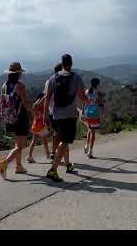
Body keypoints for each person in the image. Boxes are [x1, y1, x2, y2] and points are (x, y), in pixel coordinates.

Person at [43, 54, 89, 182]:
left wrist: (45, 116)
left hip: (56, 115)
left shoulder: (53, 78)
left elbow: (47, 98)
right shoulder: (76, 78)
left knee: (64, 139)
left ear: (62, 63)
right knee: (64, 141)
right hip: (69, 115)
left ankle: (68, 164)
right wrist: (89, 102)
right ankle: (53, 170)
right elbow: (81, 97)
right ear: (71, 63)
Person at [0, 62, 32, 179]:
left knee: (17, 143)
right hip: (20, 118)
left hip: (9, 118)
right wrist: (33, 115)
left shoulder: (4, 85)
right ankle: (5, 163)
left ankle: (19, 166)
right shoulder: (20, 86)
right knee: (21, 146)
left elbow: (1, 102)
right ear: (19, 73)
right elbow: (26, 103)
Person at [81, 77, 106, 159]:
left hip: (87, 114)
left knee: (89, 130)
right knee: (93, 133)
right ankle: (90, 152)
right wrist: (103, 114)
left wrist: (83, 113)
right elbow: (101, 104)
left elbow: (84, 103)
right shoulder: (98, 93)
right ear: (97, 84)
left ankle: (86, 146)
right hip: (95, 115)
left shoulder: (86, 92)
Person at [44, 63, 63, 160]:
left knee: (57, 132)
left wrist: (45, 114)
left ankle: (53, 152)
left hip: (51, 112)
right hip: (61, 112)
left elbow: (46, 98)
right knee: (61, 134)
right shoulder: (62, 81)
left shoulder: (48, 81)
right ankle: (59, 154)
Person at [27, 93, 51, 163]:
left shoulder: (35, 107)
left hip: (35, 126)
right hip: (41, 127)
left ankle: (29, 155)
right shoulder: (41, 107)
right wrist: (46, 95)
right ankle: (48, 155)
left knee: (34, 141)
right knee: (45, 141)